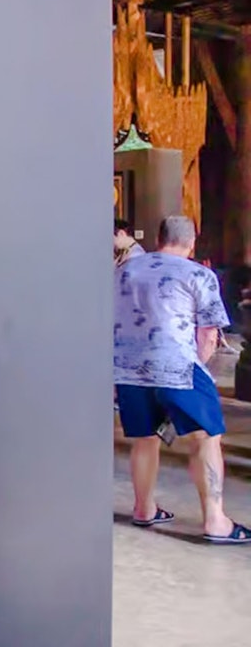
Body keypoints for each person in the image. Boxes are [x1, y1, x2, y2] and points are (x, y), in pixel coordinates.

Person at [114, 215, 250, 544]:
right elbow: (208, 335)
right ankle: (216, 521)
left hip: (129, 367)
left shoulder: (126, 270)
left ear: (160, 239)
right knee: (206, 438)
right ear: (192, 243)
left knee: (145, 438)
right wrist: (200, 369)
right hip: (177, 365)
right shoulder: (198, 274)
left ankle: (144, 509)